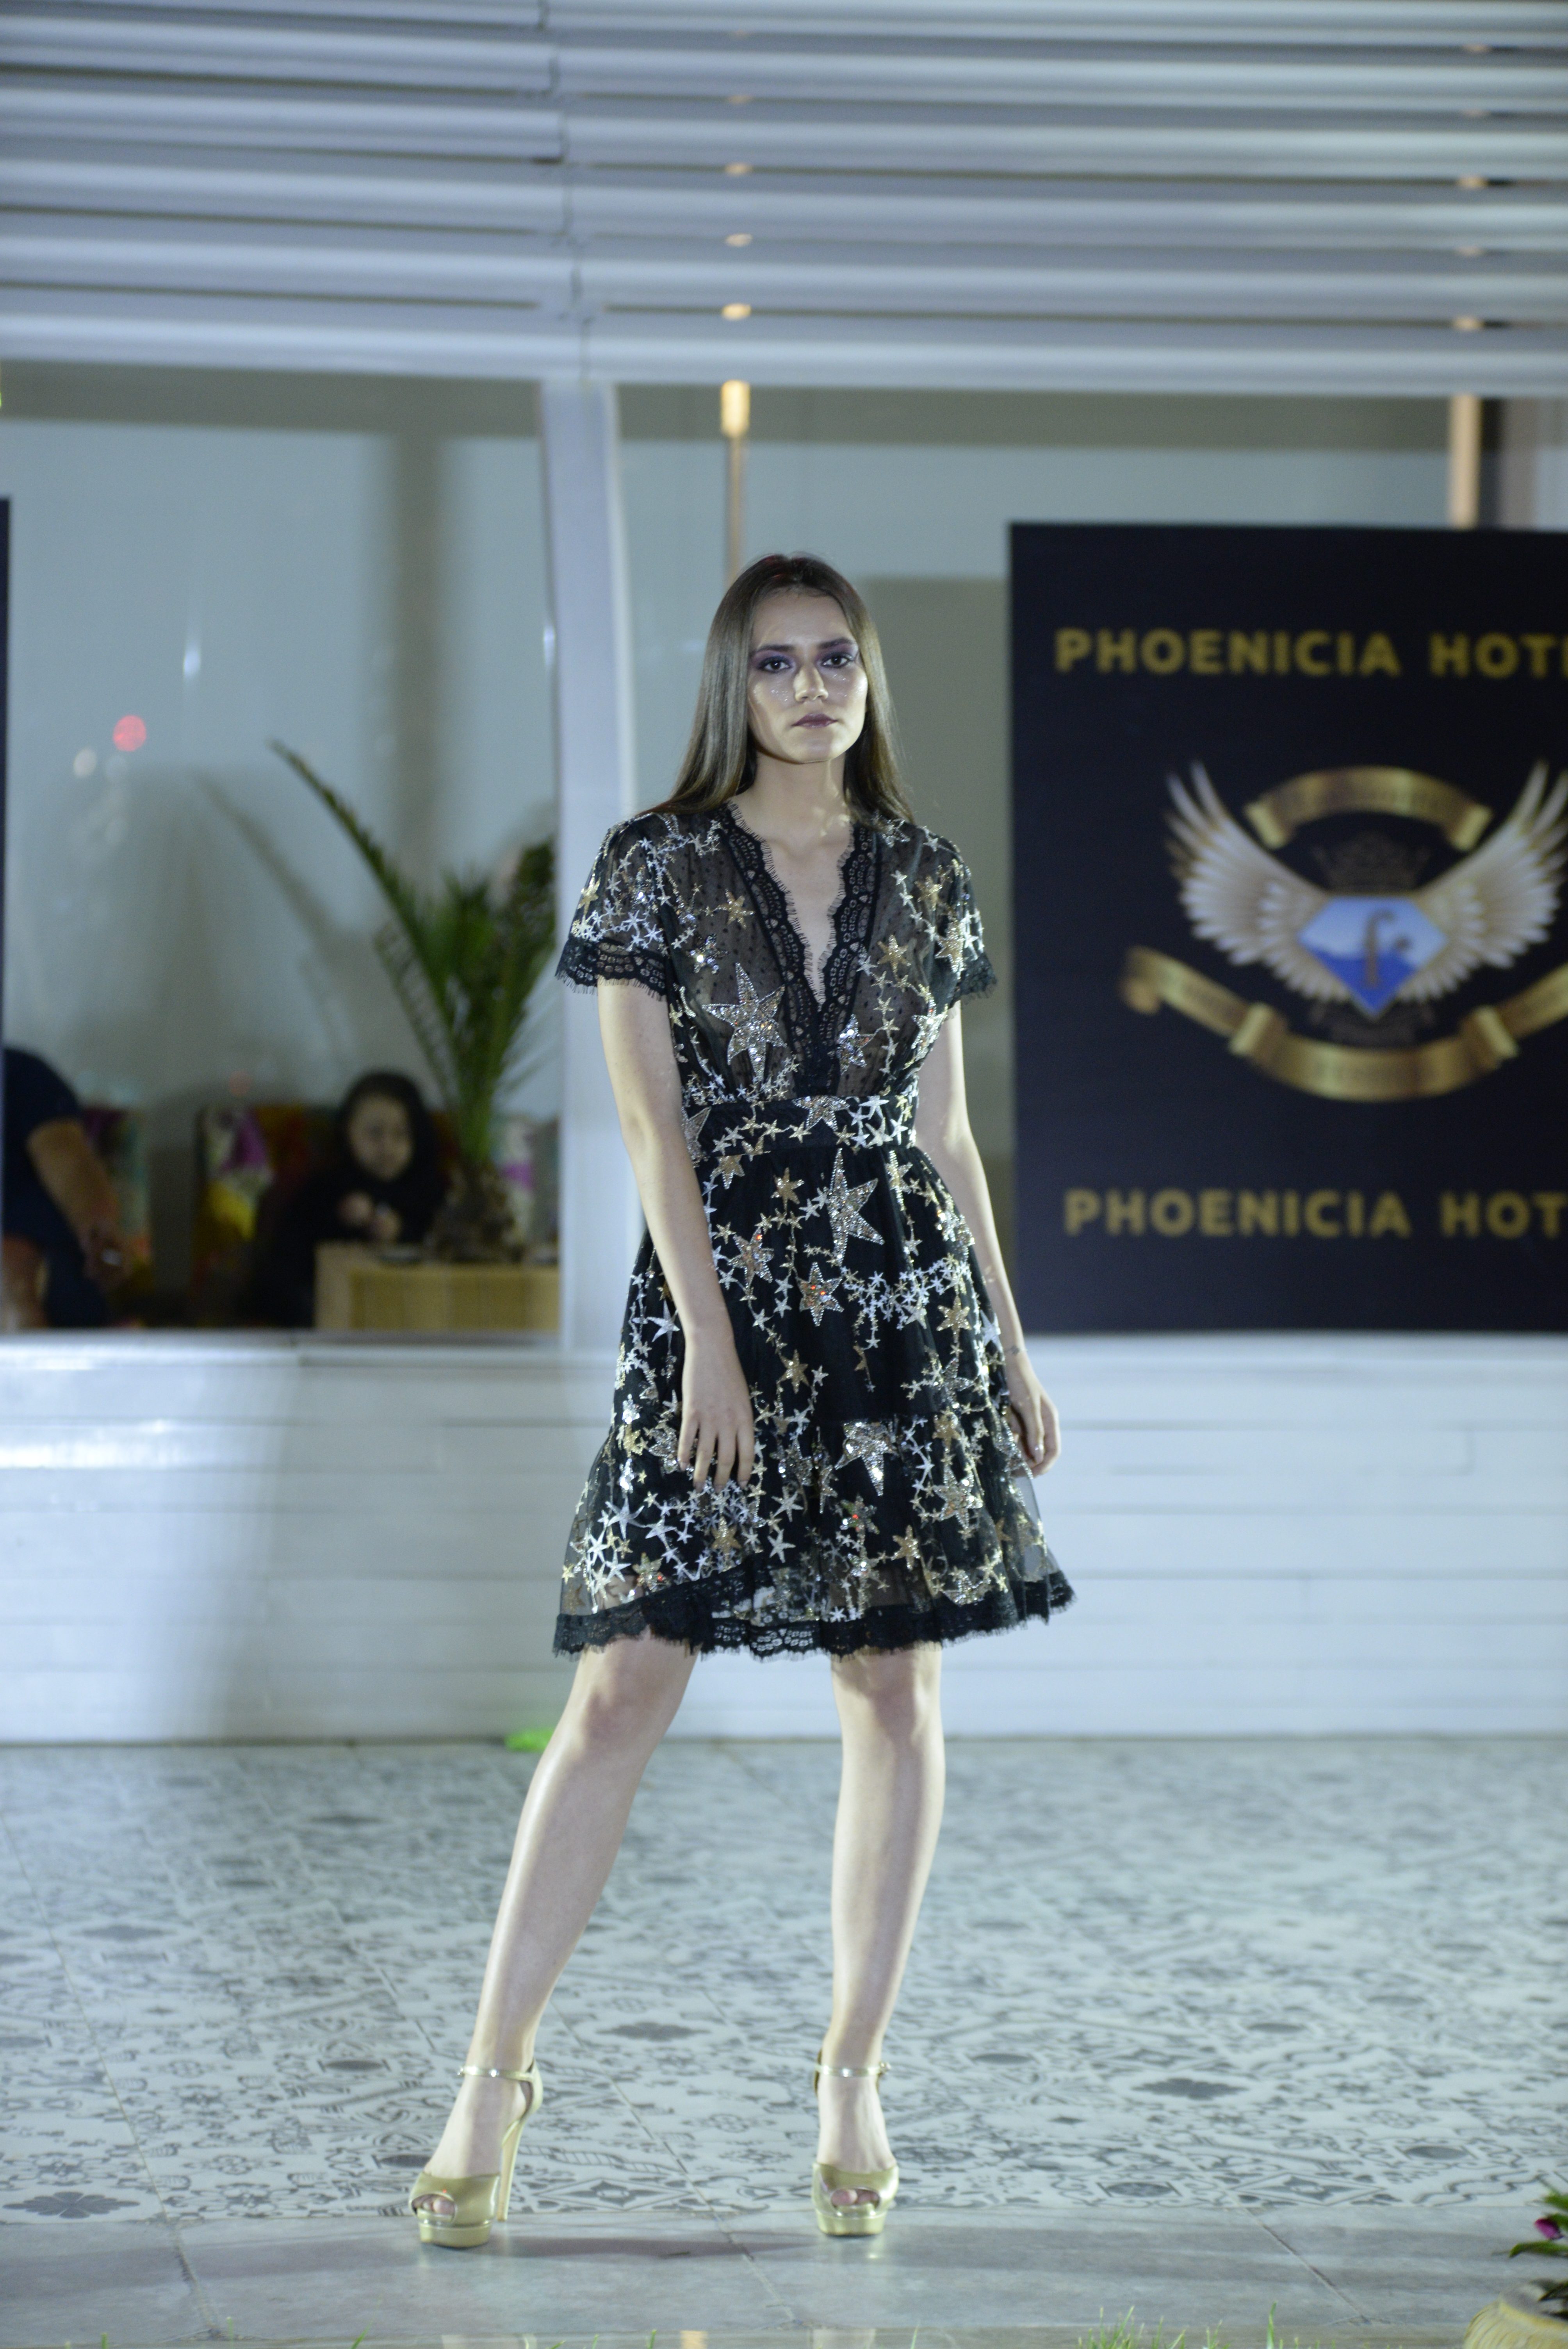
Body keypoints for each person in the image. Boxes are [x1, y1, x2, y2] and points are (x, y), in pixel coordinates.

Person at [409, 552, 1073, 2251]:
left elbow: (942, 1135)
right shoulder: (656, 865)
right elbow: (650, 1126)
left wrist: (1008, 1339)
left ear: (866, 676)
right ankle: (492, 2071)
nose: (809, 685)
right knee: (624, 1679)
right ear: (733, 682)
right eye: (776, 661)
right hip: (720, 1302)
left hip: (897, 1307)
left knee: (892, 1684)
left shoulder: (923, 872)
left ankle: (851, 2072)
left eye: (834, 656)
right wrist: (707, 1335)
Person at [253, 1070, 445, 1326]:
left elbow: (442, 1246)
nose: (388, 1146)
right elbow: (287, 1265)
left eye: (401, 1134)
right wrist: (340, 1219)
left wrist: (400, 1231)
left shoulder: (432, 1189)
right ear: (348, 1131)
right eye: (375, 1133)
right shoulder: (324, 1187)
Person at [2, 1045, 127, 1330]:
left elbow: (69, 1160)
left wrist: (99, 1226)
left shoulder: (20, 1074)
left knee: (10, 1266)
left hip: (40, 1267)